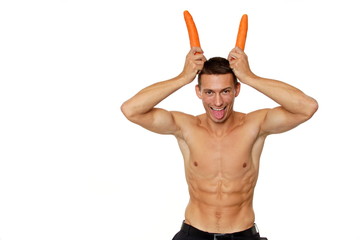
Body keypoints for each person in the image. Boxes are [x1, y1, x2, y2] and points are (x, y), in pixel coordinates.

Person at [121, 46, 318, 240]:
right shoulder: (186, 126)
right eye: (209, 92)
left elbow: (306, 108)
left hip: (242, 234)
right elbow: (131, 110)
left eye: (225, 91)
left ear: (236, 90)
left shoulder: (254, 125)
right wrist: (182, 77)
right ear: (198, 91)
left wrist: (250, 77)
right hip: (194, 234)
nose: (217, 102)